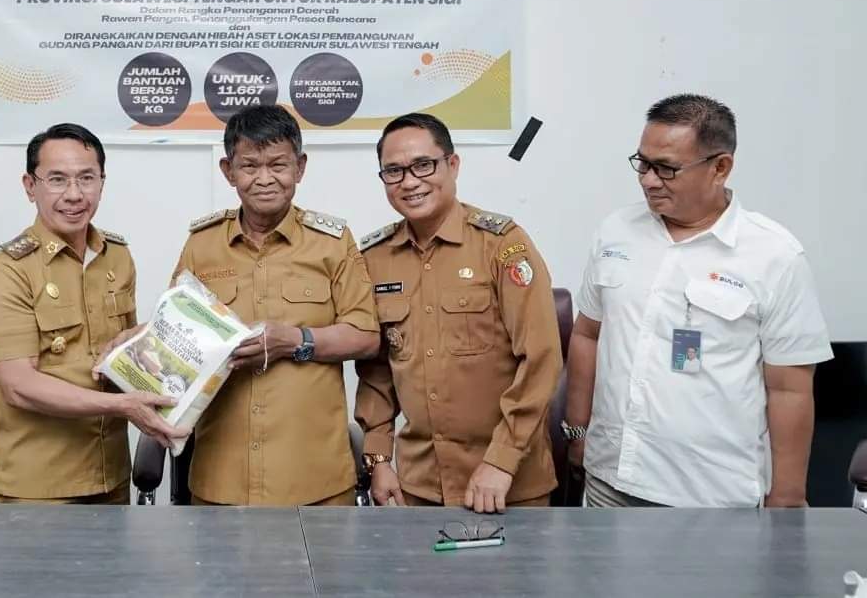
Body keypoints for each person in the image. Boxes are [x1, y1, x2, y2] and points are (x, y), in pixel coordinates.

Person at [565, 94, 833, 508]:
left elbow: (789, 389)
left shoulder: (774, 256)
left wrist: (788, 493)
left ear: (720, 168)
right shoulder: (616, 232)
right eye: (643, 164)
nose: (648, 180)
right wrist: (577, 433)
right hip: (610, 481)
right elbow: (587, 335)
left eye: (666, 168)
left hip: (711, 498)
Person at [165, 105, 379, 505]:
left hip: (316, 480)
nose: (264, 179)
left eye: (278, 164)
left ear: (300, 167)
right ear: (228, 171)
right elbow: (172, 336)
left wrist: (296, 341)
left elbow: (366, 336)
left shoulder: (332, 243)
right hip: (220, 480)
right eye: (249, 166)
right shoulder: (201, 245)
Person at [355, 113, 562, 513]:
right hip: (419, 486)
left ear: (452, 164)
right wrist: (379, 459)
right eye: (394, 171)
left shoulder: (502, 245)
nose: (409, 182)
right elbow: (377, 371)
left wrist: (502, 459)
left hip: (510, 484)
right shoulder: (375, 258)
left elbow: (541, 358)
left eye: (423, 165)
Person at [0, 123, 187, 504]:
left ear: (102, 183)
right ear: (30, 186)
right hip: (38, 488)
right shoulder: (8, 270)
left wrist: (152, 340)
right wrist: (123, 406)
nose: (74, 194)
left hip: (111, 478)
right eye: (57, 179)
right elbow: (18, 386)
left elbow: (120, 360)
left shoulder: (116, 257)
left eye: (86, 178)